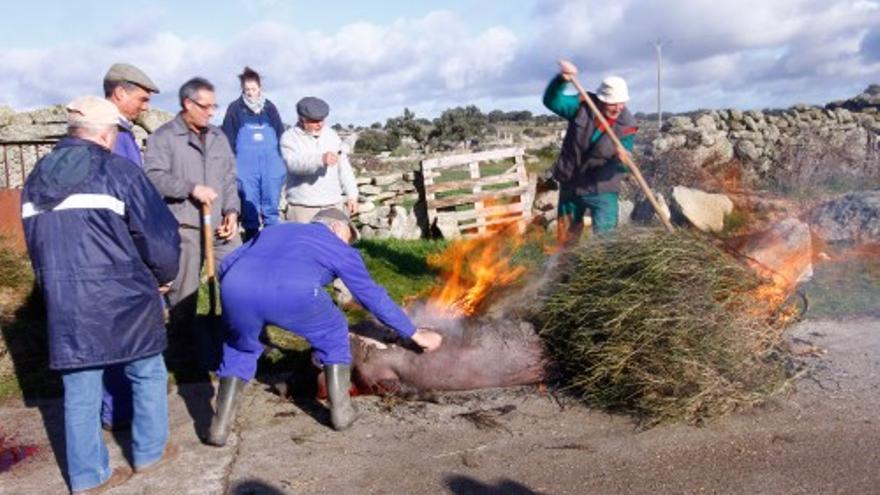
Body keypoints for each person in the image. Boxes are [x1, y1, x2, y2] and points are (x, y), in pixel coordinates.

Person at [21, 96, 181, 494]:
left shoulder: (37, 177)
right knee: (146, 371)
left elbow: (34, 241)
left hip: (64, 299)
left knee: (79, 389)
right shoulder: (119, 171)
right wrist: (164, 277)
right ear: (107, 135)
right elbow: (159, 237)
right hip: (124, 293)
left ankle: (88, 477)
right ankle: (149, 452)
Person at [205, 208, 443, 446]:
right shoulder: (337, 245)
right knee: (333, 333)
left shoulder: (275, 230)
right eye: (348, 238)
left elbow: (227, 263)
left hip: (236, 288)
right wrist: (414, 332)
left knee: (239, 349)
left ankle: (219, 428)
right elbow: (372, 296)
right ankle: (341, 413)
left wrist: (233, 292)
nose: (348, 245)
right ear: (336, 228)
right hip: (293, 291)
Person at [144, 77, 241, 365]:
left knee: (239, 281)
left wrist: (232, 211)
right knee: (183, 295)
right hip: (184, 226)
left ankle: (237, 340)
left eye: (214, 106)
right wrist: (190, 188)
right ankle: (183, 355)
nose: (211, 112)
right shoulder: (164, 137)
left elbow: (228, 179)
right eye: (206, 106)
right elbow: (153, 177)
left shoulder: (218, 137)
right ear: (188, 103)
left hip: (221, 229)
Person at [99, 62, 161, 433]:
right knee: (124, 333)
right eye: (141, 98)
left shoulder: (120, 132)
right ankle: (119, 412)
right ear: (119, 93)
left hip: (110, 247)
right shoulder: (115, 137)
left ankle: (115, 408)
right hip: (120, 249)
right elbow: (129, 199)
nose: (144, 107)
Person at [543, 59, 637, 241]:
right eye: (613, 103)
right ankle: (562, 268)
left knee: (605, 242)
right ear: (601, 100)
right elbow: (551, 101)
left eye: (621, 103)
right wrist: (560, 80)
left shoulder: (627, 124)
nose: (618, 107)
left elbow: (624, 164)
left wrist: (623, 160)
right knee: (566, 241)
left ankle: (603, 269)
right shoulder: (582, 105)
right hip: (571, 183)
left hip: (602, 188)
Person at [221, 66, 286, 241]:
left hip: (271, 165)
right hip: (245, 167)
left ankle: (272, 245)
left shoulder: (270, 108)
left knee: (271, 209)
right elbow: (228, 139)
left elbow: (281, 136)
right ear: (242, 89)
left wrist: (282, 164)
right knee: (249, 208)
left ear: (260, 87)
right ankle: (251, 244)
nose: (250, 93)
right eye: (247, 89)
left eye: (253, 89)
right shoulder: (235, 109)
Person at [280, 97, 359, 223]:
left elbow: (344, 168)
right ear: (301, 119)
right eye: (314, 121)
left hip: (332, 205)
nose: (320, 124)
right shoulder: (289, 138)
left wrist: (352, 195)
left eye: (322, 120)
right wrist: (320, 160)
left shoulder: (332, 135)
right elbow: (293, 164)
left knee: (333, 243)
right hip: (302, 208)